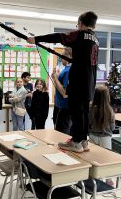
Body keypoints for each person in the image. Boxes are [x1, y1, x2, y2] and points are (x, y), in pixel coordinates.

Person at [27, 11, 99, 152]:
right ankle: (83, 140)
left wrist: (36, 39)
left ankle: (77, 142)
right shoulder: (95, 39)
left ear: (81, 23)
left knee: (77, 112)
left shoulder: (80, 35)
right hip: (90, 83)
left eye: (77, 24)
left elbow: (58, 37)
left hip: (78, 81)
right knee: (84, 112)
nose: (77, 27)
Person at [89, 86, 115, 186]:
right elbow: (112, 127)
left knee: (93, 159)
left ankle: (93, 178)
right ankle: (108, 179)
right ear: (107, 97)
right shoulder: (110, 110)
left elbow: (88, 124)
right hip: (106, 138)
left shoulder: (91, 109)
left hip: (93, 136)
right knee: (106, 160)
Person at [51, 48, 72, 134]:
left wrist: (55, 78)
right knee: (58, 129)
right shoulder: (66, 69)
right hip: (60, 106)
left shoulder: (69, 70)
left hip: (64, 107)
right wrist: (57, 78)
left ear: (69, 57)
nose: (61, 58)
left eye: (63, 56)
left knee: (61, 132)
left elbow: (65, 93)